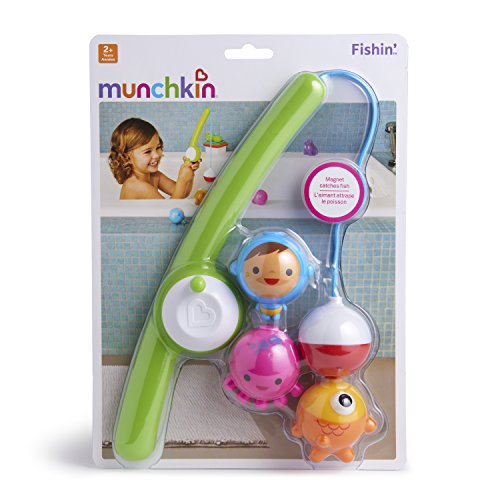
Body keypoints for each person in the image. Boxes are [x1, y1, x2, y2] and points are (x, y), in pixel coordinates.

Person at [109, 117, 199, 199]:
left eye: (158, 147)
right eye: (147, 151)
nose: (156, 155)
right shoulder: (136, 186)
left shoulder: (154, 176)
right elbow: (170, 209)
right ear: (126, 158)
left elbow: (183, 193)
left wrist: (189, 172)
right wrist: (182, 180)